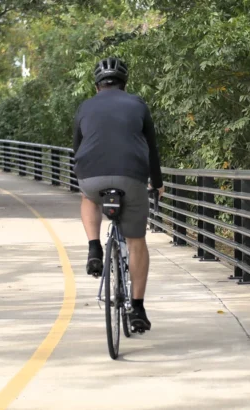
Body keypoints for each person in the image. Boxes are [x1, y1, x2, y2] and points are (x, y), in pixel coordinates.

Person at [72, 56, 164, 332]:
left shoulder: (85, 106)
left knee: (88, 197)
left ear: (97, 85)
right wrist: (156, 183)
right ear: (124, 83)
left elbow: (77, 148)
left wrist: (84, 177)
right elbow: (152, 148)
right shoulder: (137, 104)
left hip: (92, 175)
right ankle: (137, 308)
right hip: (132, 176)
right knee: (136, 241)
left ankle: (93, 247)